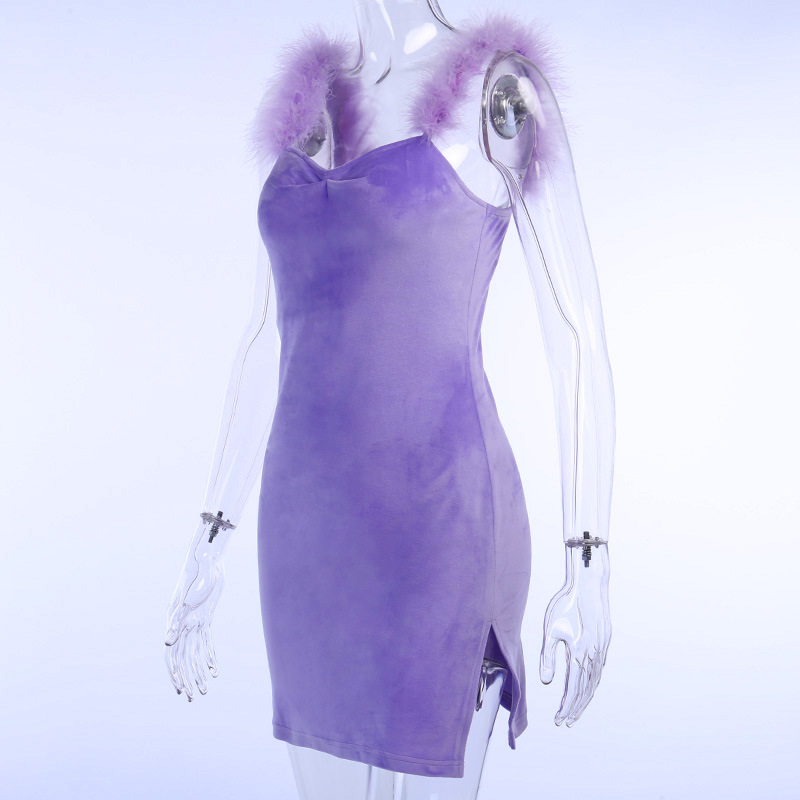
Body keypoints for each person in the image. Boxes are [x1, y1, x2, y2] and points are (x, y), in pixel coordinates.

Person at [164, 2, 615, 797]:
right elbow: (265, 333)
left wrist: (589, 564)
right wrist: (209, 541)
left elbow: (575, 332)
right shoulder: (312, 107)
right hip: (304, 541)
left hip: (439, 523)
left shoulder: (497, 89)